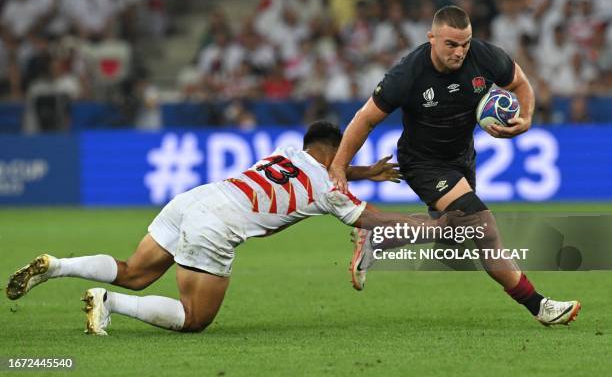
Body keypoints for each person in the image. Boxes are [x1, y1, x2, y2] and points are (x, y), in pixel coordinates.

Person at [6, 121, 446, 335]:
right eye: (347, 154)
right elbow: (364, 214)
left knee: (135, 271)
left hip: (193, 200)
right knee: (195, 320)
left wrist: (364, 171)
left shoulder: (289, 149)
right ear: (335, 150)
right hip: (215, 226)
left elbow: (325, 169)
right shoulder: (327, 189)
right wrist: (423, 223)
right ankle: (109, 304)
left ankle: (59, 265)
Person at [328, 5, 580, 326]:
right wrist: (338, 166)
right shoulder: (407, 75)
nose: (460, 52)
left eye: (465, 43)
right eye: (451, 44)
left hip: (461, 158)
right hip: (423, 162)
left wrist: (527, 118)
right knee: (484, 229)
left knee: (455, 235)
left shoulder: (485, 56)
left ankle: (379, 236)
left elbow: (520, 83)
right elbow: (364, 120)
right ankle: (540, 306)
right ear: (431, 38)